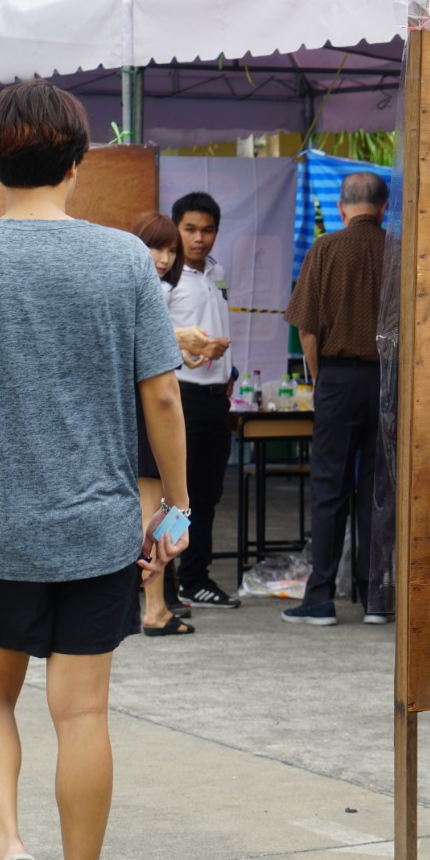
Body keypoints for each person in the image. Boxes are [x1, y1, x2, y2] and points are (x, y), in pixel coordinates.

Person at [0, 80, 189, 860]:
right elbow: (162, 396)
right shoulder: (122, 260)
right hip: (95, 525)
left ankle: (6, 845)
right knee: (81, 713)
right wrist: (177, 501)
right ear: (78, 160)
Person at [281, 171, 390, 627]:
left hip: (338, 379)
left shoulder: (325, 249)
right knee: (378, 491)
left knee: (329, 488)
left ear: (342, 208)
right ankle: (376, 600)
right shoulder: (398, 251)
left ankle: (320, 598)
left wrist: (323, 376)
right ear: (383, 208)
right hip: (387, 380)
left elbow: (306, 328)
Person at [131, 212, 228, 635]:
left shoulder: (154, 287)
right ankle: (154, 607)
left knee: (159, 504)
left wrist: (190, 350)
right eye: (157, 246)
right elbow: (132, 343)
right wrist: (180, 340)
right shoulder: (140, 288)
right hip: (148, 408)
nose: (164, 257)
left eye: (170, 250)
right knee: (154, 505)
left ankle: (160, 599)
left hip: (158, 402)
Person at [167, 190, 238, 610]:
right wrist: (190, 353)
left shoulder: (218, 273)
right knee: (178, 495)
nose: (199, 238)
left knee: (208, 493)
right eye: (190, 229)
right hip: (179, 396)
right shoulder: (166, 279)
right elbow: (149, 339)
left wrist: (231, 372)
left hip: (216, 397)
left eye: (207, 230)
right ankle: (166, 578)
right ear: (176, 228)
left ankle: (195, 576)